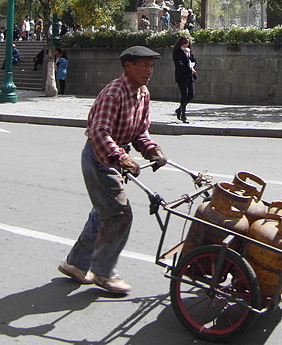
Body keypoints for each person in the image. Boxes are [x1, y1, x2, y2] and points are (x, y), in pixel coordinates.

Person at [58, 45, 167, 294]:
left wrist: (151, 150)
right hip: (100, 158)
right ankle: (103, 272)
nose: (149, 71)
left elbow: (140, 131)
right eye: (144, 65)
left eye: (151, 66)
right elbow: (99, 132)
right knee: (118, 213)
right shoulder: (114, 93)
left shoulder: (143, 93)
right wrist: (120, 157)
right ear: (128, 66)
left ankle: (75, 264)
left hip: (115, 158)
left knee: (102, 212)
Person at [172, 36, 197, 123]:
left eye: (187, 44)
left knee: (191, 94)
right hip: (181, 76)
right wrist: (188, 68)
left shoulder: (189, 52)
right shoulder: (177, 52)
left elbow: (194, 60)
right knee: (184, 94)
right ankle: (183, 115)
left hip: (190, 76)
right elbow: (179, 64)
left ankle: (179, 109)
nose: (186, 45)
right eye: (184, 43)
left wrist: (193, 67)